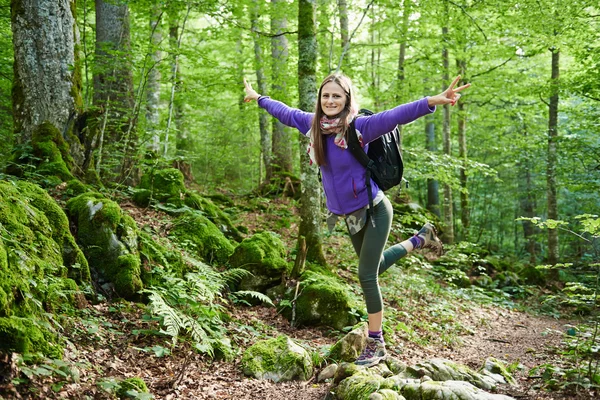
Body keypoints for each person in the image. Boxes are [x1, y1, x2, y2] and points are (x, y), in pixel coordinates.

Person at [243, 73, 470, 367]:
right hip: (349, 216)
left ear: (347, 99)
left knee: (366, 275)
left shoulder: (359, 127)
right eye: (326, 95)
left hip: (374, 209)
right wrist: (259, 98)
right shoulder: (312, 126)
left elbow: (396, 115)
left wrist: (432, 101)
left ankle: (376, 343)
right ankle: (420, 239)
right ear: (320, 99)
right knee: (373, 267)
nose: (330, 101)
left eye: (337, 96)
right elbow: (284, 112)